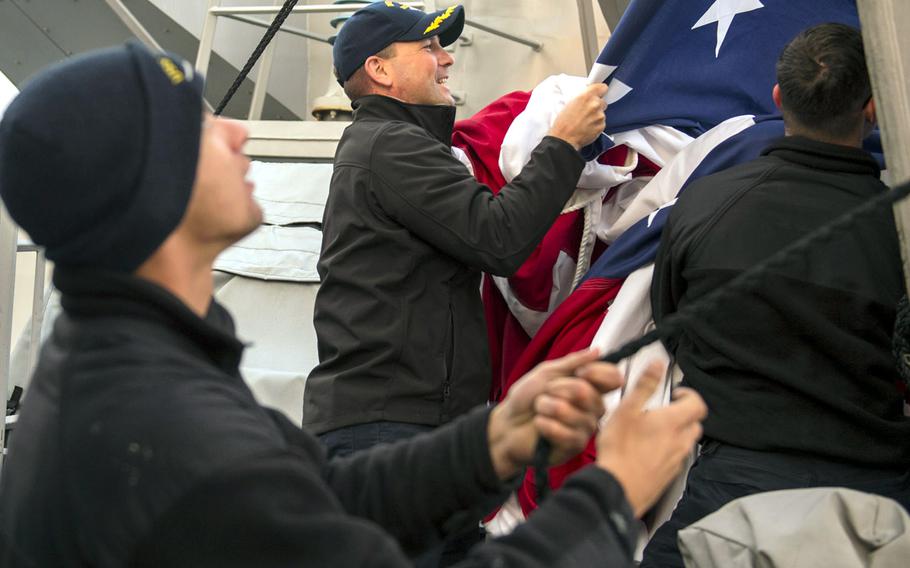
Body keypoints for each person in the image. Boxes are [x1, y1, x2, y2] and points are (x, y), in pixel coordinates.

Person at [0, 42, 707, 567]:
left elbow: (320, 493)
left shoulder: (134, 368)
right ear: (146, 187)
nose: (237, 131)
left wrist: (492, 438)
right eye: (198, 126)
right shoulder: (171, 431)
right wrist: (611, 498)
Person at [642, 23, 910, 568]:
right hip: (880, 504)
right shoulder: (899, 229)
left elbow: (671, 319)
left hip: (728, 492)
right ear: (874, 109)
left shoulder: (707, 202)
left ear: (779, 98)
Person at [305, 2, 611, 458]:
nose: (447, 57)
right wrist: (563, 143)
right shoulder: (390, 144)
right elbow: (499, 238)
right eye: (428, 46)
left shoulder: (390, 144)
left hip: (403, 423)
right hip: (389, 429)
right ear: (379, 70)